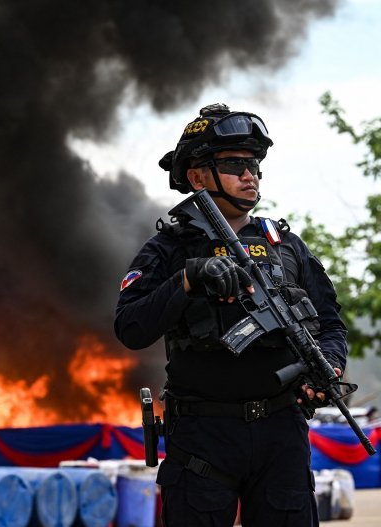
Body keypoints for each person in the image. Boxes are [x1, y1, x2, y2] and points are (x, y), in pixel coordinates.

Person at [114, 103, 348, 526]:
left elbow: (331, 324)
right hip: (203, 436)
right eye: (235, 163)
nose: (250, 174)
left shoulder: (285, 245)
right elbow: (130, 327)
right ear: (197, 175)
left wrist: (328, 366)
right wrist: (187, 279)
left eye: (255, 164)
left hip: (281, 431)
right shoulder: (170, 249)